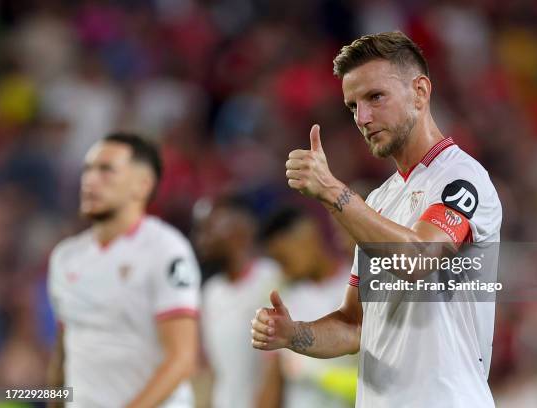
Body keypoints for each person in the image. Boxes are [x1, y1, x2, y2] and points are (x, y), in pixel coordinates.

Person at [251, 31, 502, 407]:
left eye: (375, 97)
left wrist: (333, 193)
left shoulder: (460, 178)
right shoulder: (380, 201)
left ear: (419, 92)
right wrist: (293, 334)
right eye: (352, 106)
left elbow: (417, 259)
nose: (363, 118)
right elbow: (355, 325)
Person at [47, 133, 201, 408]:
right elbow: (64, 352)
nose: (90, 180)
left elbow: (182, 359)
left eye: (106, 170)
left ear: (141, 186)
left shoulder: (166, 251)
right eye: (87, 169)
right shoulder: (65, 257)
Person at [256, 208, 357, 408]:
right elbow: (273, 378)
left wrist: (314, 372)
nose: (282, 269)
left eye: (283, 258)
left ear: (307, 235)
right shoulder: (285, 301)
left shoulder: (356, 286)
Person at [192, 196, 281, 408]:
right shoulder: (211, 292)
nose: (200, 240)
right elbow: (214, 369)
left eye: (208, 228)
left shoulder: (268, 278)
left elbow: (276, 364)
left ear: (239, 228)